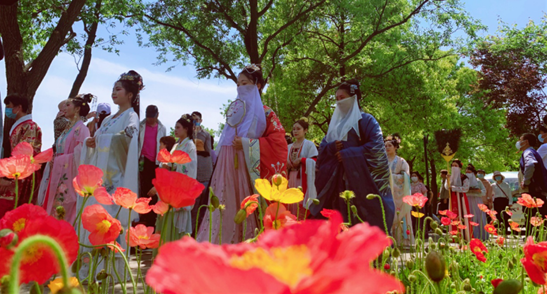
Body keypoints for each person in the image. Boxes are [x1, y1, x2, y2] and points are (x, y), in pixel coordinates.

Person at [197, 65, 288, 244]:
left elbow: (279, 143)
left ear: (257, 85)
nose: (240, 88)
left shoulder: (266, 112)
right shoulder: (235, 110)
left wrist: (247, 144)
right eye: (238, 84)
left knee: (245, 201)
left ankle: (248, 240)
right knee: (225, 200)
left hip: (249, 166)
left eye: (245, 83)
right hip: (227, 163)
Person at [77, 70, 142, 279]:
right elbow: (99, 138)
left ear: (130, 94)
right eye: (113, 89)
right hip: (99, 178)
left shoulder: (131, 116)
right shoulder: (108, 119)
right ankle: (90, 268)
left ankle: (110, 272)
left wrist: (105, 139)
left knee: (109, 221)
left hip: (115, 179)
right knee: (94, 218)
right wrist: (91, 142)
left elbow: (129, 136)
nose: (114, 93)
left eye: (118, 89)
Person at [313, 79, 394, 231]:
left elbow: (376, 147)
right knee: (339, 214)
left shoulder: (367, 120)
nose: (338, 102)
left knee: (360, 216)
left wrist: (349, 154)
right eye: (336, 99)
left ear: (353, 98)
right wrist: (331, 148)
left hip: (360, 181)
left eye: (342, 98)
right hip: (338, 182)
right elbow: (323, 147)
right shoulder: (336, 125)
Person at [41, 94, 92, 223]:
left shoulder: (83, 130)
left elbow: (81, 156)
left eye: (68, 105)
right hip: (57, 172)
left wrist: (59, 160)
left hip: (68, 179)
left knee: (64, 209)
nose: (65, 108)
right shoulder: (67, 129)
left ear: (77, 109)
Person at [0, 94, 43, 218]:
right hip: (16, 173)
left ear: (19, 107)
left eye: (9, 106)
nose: (7, 109)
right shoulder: (20, 126)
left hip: (23, 175)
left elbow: (25, 155)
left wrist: (8, 178)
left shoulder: (30, 126)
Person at [155, 114, 197, 239]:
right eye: (175, 127)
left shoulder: (190, 146)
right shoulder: (176, 146)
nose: (176, 130)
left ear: (186, 129)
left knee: (176, 226)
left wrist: (173, 165)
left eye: (178, 127)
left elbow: (190, 167)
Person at [138, 105, 166, 228]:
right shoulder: (140, 126)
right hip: (142, 160)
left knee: (152, 191)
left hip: (154, 162)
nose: (150, 119)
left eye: (152, 117)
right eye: (148, 116)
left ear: (157, 115)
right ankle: (141, 216)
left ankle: (151, 219)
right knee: (141, 189)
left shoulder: (161, 128)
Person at [287, 118, 318, 219]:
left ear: (305, 130)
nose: (295, 131)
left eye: (298, 129)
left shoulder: (309, 145)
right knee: (290, 203)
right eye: (294, 129)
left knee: (300, 201)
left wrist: (302, 160)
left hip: (302, 179)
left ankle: (302, 224)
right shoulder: (288, 147)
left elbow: (315, 161)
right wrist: (286, 163)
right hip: (290, 178)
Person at [385, 134, 412, 245]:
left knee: (399, 215)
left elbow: (406, 177)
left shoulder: (401, 162)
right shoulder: (381, 161)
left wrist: (392, 177)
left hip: (398, 195)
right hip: (385, 193)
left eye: (389, 145)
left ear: (395, 147)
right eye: (385, 145)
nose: (387, 147)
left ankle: (402, 242)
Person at [190, 111, 214, 232]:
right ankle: (191, 230)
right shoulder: (188, 133)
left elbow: (209, 152)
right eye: (193, 118)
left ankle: (199, 231)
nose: (195, 121)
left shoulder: (206, 135)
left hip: (204, 169)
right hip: (191, 171)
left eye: (197, 119)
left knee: (203, 204)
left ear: (201, 120)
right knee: (193, 205)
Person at [517, 133, 547, 216]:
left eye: (520, 140)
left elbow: (530, 164)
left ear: (526, 141)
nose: (518, 142)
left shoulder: (528, 152)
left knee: (532, 219)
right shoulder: (534, 152)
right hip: (538, 192)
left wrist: (525, 181)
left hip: (532, 193)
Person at [447, 159, 472, 241]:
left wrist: (454, 188)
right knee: (453, 216)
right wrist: (448, 180)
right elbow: (446, 187)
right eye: (452, 166)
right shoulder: (449, 177)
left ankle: (465, 236)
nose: (454, 167)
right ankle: (453, 236)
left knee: (462, 214)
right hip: (452, 198)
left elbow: (466, 188)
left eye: (456, 166)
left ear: (460, 168)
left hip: (461, 198)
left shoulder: (464, 177)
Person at [465, 164, 488, 241]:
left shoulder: (478, 181)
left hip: (477, 200)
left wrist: (479, 191)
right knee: (469, 216)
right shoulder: (464, 181)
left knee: (478, 216)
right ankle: (469, 235)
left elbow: (484, 191)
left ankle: (480, 235)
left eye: (469, 172)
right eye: (466, 172)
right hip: (467, 200)